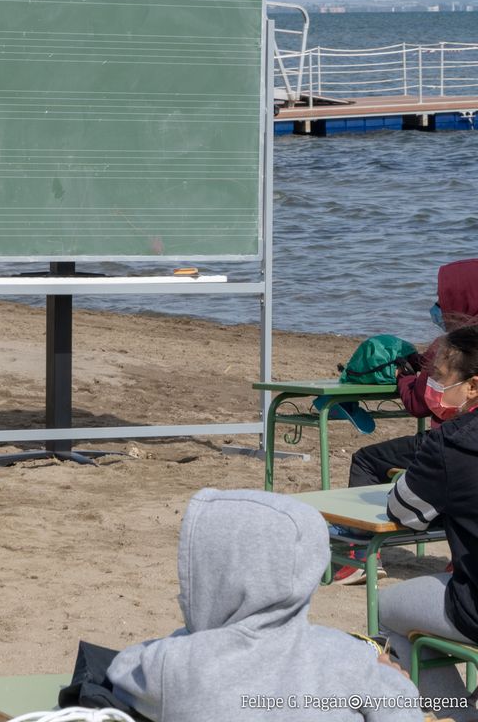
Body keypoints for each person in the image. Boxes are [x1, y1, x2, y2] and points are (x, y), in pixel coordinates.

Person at [107, 488, 421, 721]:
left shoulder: (174, 664)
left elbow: (119, 669)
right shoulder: (349, 658)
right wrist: (391, 677)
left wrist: (186, 637)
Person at [335, 258, 478, 584]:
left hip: (457, 440)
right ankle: (459, 557)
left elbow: (419, 400)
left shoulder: (453, 348)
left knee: (366, 460)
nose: (439, 308)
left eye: (442, 301)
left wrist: (403, 378)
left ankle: (358, 555)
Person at [382, 325, 478, 708]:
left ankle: (452, 712)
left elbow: (403, 510)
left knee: (387, 611)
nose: (432, 386)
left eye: (439, 377)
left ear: (472, 386)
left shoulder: (451, 443)